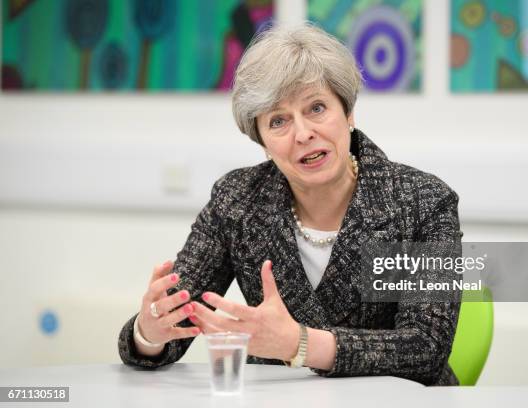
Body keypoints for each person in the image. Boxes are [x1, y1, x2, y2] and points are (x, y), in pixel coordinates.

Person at [118, 23, 463, 386]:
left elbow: (425, 348)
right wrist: (150, 332)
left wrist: (299, 343)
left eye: (316, 108)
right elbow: (177, 318)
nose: (302, 134)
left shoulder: (423, 202)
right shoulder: (238, 200)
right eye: (278, 121)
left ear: (348, 113)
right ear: (263, 141)